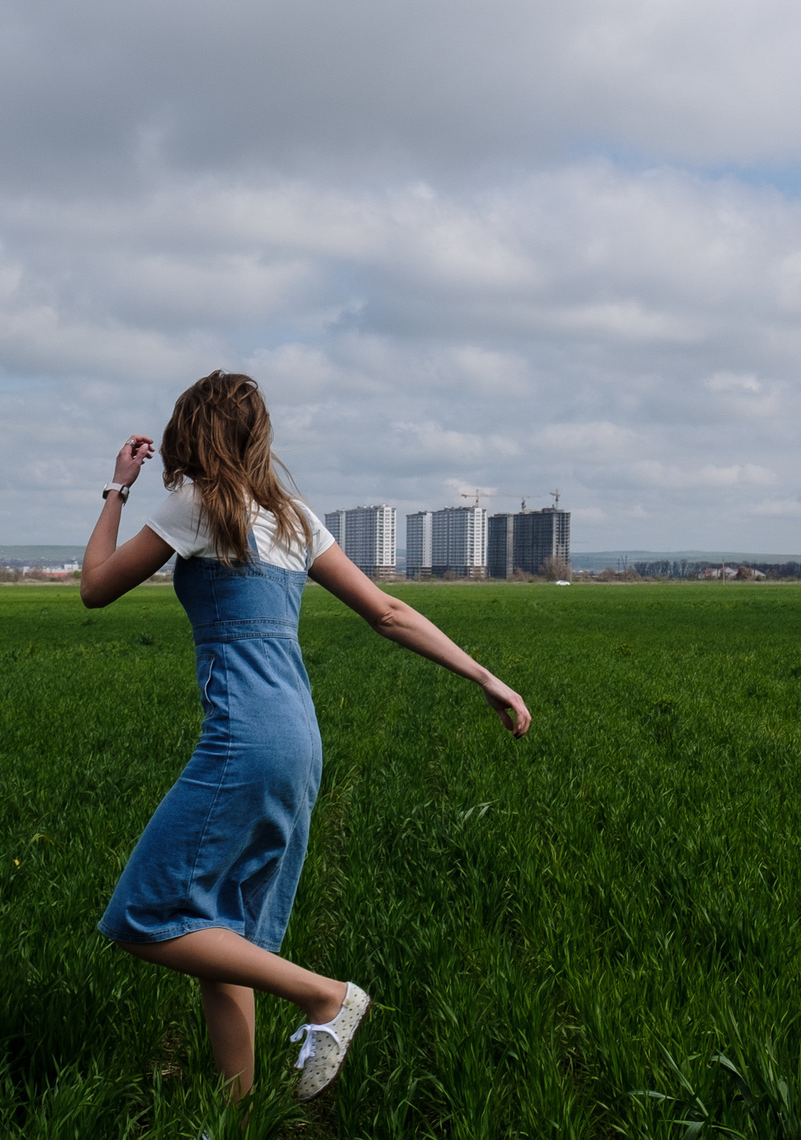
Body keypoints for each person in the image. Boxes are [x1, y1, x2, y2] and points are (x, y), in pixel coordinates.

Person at [81, 371, 529, 1101]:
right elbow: (387, 611)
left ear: (191, 431)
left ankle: (327, 995)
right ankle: (233, 1121)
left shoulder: (194, 505)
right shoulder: (291, 516)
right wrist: (485, 676)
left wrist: (117, 489)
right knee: (224, 935)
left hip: (243, 738)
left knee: (144, 914)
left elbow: (94, 585)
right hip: (299, 739)